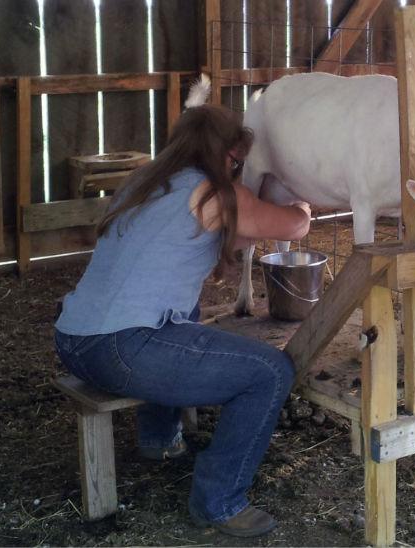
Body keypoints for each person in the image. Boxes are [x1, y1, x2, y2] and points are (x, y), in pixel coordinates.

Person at [54, 103, 311, 538]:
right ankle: (219, 501)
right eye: (237, 161)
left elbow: (241, 230)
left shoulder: (142, 183)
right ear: (227, 155)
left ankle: (159, 439)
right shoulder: (215, 193)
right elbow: (294, 228)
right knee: (270, 372)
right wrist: (302, 201)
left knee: (182, 318)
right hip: (122, 349)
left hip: (73, 338)